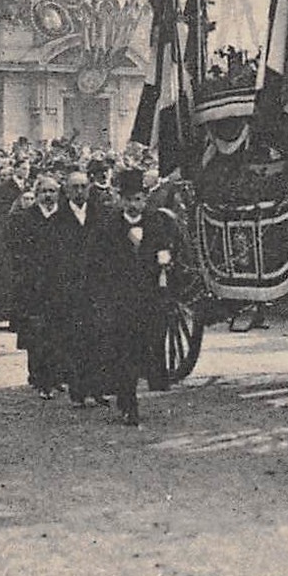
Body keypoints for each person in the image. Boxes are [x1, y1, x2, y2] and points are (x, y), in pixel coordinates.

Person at [88, 170, 181, 427]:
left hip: (148, 299)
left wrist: (165, 261)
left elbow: (165, 251)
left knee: (143, 347)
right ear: (120, 199)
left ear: (144, 199)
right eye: (128, 199)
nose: (133, 204)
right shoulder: (109, 225)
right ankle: (128, 403)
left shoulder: (155, 222)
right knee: (123, 350)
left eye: (138, 199)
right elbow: (96, 261)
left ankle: (137, 389)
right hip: (119, 299)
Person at [47, 169, 107, 407]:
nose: (80, 191)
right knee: (75, 340)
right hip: (69, 289)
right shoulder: (57, 221)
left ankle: (99, 389)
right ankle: (78, 391)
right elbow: (51, 259)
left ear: (89, 188)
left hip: (97, 287)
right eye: (75, 187)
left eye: (83, 187)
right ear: (67, 190)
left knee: (99, 338)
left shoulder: (101, 216)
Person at [11, 174, 65, 398]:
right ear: (38, 195)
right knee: (37, 332)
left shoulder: (65, 217)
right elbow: (15, 250)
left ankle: (57, 376)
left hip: (59, 281)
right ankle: (40, 378)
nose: (48, 196)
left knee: (59, 330)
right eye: (44, 192)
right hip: (34, 282)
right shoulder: (25, 218)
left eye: (52, 191)